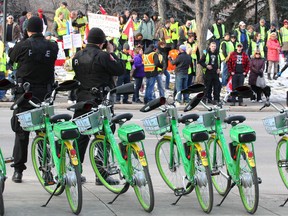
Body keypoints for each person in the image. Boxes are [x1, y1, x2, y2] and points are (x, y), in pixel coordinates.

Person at [72, 27, 125, 184]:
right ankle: (101, 173)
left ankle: (75, 170)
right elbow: (119, 69)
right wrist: (111, 52)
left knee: (80, 136)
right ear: (102, 42)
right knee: (104, 135)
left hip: (82, 99)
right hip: (100, 99)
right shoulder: (103, 56)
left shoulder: (77, 56)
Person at [9, 17, 59, 183]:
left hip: (25, 94)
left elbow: (12, 58)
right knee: (44, 134)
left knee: (22, 132)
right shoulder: (52, 46)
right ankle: (47, 171)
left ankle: (18, 171)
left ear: (28, 30)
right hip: (44, 94)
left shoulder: (23, 45)